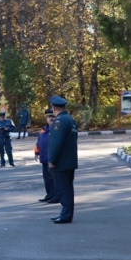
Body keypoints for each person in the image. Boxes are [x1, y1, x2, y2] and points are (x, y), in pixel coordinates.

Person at [47, 95, 78, 224]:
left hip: (61, 162)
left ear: (53, 108)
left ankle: (66, 215)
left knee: (63, 189)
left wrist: (52, 159)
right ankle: (65, 213)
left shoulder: (59, 122)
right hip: (69, 160)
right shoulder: (70, 119)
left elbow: (56, 143)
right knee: (67, 188)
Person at [34, 108, 58, 203]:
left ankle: (56, 196)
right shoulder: (43, 130)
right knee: (47, 179)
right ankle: (49, 195)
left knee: (54, 179)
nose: (50, 118)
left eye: (52, 116)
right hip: (44, 159)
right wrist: (36, 153)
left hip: (53, 159)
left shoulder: (57, 128)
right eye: (49, 117)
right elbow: (39, 142)